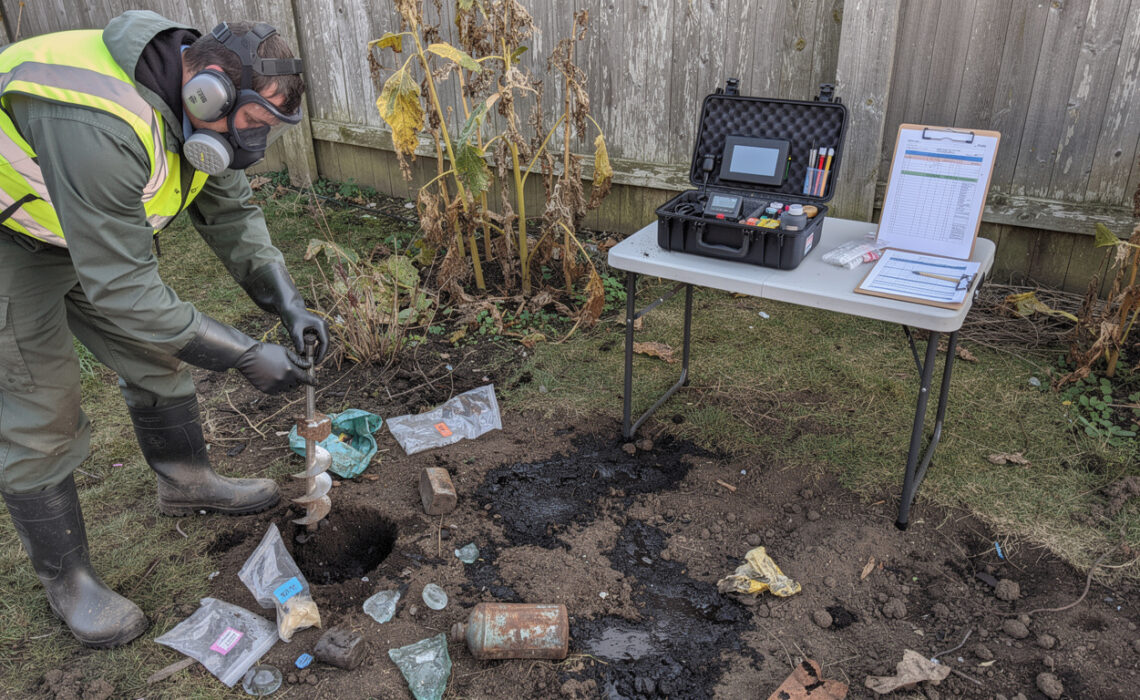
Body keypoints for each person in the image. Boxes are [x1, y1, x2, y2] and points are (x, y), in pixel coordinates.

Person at [0, 10, 330, 648]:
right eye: (255, 124)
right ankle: (70, 583)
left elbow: (231, 208)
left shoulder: (193, 106)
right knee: (42, 407)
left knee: (156, 353)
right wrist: (242, 355)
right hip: (12, 235)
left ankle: (185, 480)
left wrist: (284, 299)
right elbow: (123, 289)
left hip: (81, 226)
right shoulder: (98, 121)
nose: (256, 144)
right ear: (207, 88)